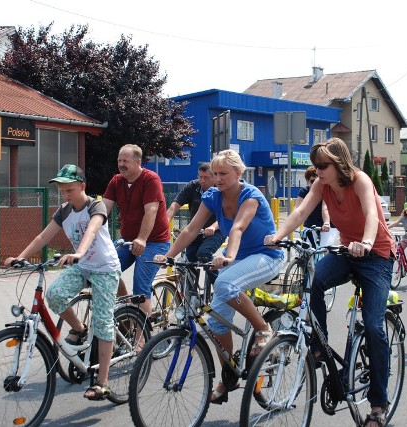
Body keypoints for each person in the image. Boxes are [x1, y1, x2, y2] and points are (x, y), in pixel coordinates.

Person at [266, 137, 394, 427]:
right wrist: (278, 235)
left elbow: (373, 214)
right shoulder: (322, 185)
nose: (319, 170)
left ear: (339, 164)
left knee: (373, 327)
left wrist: (367, 241)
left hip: (375, 255)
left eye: (323, 165)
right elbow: (299, 212)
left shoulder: (360, 180)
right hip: (347, 251)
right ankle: (319, 344)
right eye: (316, 165)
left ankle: (377, 405)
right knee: (314, 282)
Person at [154, 149, 284, 405]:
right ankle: (229, 375)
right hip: (238, 259)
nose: (218, 178)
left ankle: (264, 328)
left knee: (224, 283)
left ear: (239, 173)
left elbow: (237, 227)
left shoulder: (251, 195)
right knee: (216, 323)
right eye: (215, 174)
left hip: (266, 256)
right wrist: (169, 255)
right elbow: (191, 229)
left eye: (223, 173)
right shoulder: (212, 196)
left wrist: (229, 256)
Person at [4, 165, 120, 401]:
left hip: (105, 268)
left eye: (70, 190)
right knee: (54, 294)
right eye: (62, 191)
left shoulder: (95, 206)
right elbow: (43, 236)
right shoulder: (65, 210)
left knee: (103, 322)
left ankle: (103, 382)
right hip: (82, 266)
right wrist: (21, 257)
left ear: (82, 187)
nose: (65, 195)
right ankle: (78, 329)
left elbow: (91, 231)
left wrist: (79, 252)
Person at [102, 144, 170, 316]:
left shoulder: (150, 179)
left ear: (138, 161)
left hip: (154, 241)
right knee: (106, 269)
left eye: (126, 160)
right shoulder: (117, 181)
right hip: (127, 239)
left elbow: (151, 211)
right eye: (119, 160)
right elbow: (103, 209)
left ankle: (142, 339)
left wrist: (142, 239)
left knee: (140, 286)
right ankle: (128, 312)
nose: (121, 164)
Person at [166, 162, 226, 282]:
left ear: (214, 177)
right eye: (200, 177)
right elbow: (174, 206)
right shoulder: (193, 186)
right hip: (196, 230)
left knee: (204, 254)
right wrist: (165, 223)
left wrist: (213, 227)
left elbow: (225, 216)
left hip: (217, 230)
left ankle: (219, 287)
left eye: (206, 178)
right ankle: (192, 292)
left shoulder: (221, 190)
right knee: (189, 260)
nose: (202, 181)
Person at [294, 165, 339, 247]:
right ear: (307, 181)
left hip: (328, 225)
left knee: (326, 249)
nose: (316, 183)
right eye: (312, 181)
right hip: (311, 224)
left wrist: (326, 223)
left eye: (318, 180)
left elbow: (325, 209)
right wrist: (292, 223)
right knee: (306, 249)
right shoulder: (305, 191)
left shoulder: (326, 189)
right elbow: (298, 209)